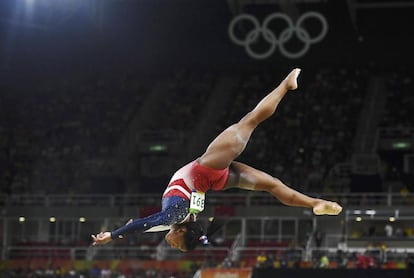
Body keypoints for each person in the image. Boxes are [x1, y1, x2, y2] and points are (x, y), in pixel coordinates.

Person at [91, 68, 342, 251]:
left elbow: (146, 225)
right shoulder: (173, 217)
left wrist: (120, 232)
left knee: (273, 184)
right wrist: (113, 235)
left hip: (217, 179)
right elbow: (149, 223)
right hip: (209, 168)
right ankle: (286, 84)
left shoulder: (176, 220)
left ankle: (315, 203)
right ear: (181, 233)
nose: (174, 247)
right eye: (179, 247)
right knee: (250, 121)